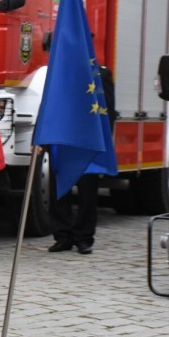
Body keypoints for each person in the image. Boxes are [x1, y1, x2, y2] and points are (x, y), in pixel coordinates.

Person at [48, 65, 116, 255]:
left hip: (87, 142)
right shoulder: (59, 70)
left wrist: (103, 140)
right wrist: (39, 139)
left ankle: (84, 238)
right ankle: (62, 236)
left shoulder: (100, 74)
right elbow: (47, 107)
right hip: (61, 141)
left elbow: (107, 111)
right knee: (59, 191)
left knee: (87, 194)